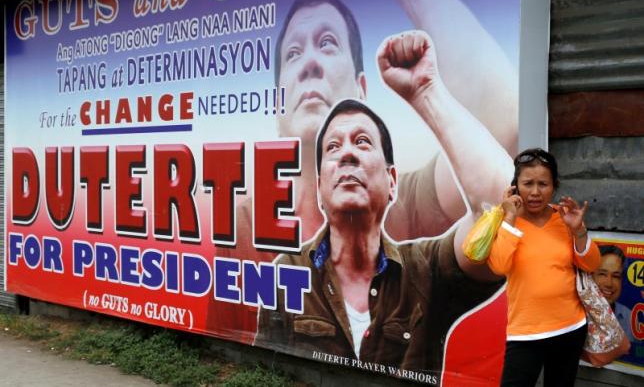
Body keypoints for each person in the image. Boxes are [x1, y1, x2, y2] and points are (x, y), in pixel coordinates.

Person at [206, 0, 513, 340]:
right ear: (278, 107)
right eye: (293, 53)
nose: (309, 63)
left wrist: (427, 90)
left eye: (327, 43)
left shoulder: (417, 240)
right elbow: (224, 342)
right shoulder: (247, 229)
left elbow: (500, 194)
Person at [254, 99, 502, 382]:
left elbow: (501, 211)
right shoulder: (286, 270)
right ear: (320, 189)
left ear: (392, 180)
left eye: (362, 142)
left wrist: (427, 91)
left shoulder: (426, 269)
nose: (347, 153)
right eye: (333, 147)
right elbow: (267, 370)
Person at [487, 148, 601, 387]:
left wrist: (578, 231)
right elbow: (498, 266)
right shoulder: (503, 220)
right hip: (525, 333)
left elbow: (591, 264)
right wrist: (509, 219)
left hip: (570, 328)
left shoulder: (565, 217)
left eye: (543, 184)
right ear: (515, 186)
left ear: (554, 186)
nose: (536, 192)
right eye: (528, 183)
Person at [593, 246, 635, 342]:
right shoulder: (575, 314)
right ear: (590, 276)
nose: (609, 283)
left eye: (616, 276)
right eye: (602, 274)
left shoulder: (628, 316)